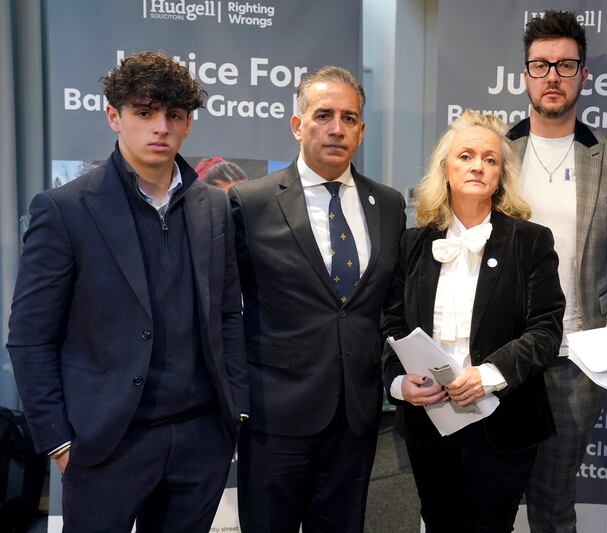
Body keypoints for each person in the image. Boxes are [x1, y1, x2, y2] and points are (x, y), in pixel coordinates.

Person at [6, 51, 249, 532]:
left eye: (173, 115)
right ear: (114, 116)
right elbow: (30, 337)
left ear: (188, 125)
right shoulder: (65, 209)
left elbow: (227, 314)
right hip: (104, 447)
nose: (160, 127)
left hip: (200, 439)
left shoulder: (213, 208)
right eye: (144, 112)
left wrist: (233, 414)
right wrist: (58, 441)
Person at [229, 66, 406, 533]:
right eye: (324, 115)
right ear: (297, 124)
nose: (337, 128)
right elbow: (225, 309)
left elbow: (387, 306)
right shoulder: (250, 202)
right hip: (276, 415)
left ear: (362, 131)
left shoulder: (388, 204)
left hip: (356, 417)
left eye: (349, 118)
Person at [382, 110, 566, 532]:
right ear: (445, 169)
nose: (478, 166)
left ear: (501, 175)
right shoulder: (412, 244)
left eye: (490, 159)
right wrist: (398, 384)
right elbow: (390, 327)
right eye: (466, 156)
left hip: (503, 420)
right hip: (429, 421)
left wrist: (488, 374)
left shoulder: (531, 241)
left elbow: (546, 329)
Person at [506, 11, 607, 532]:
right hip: (498, 347)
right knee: (488, 488)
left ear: (583, 74)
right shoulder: (494, 150)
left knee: (555, 494)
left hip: (576, 354)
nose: (553, 77)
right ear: (525, 74)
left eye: (566, 65)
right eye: (541, 65)